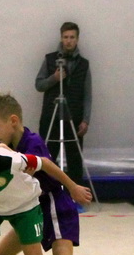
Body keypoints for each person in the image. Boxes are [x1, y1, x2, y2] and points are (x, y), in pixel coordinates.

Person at [0, 93, 114, 255]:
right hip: (31, 211)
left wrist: (73, 187)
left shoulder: (32, 143)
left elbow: (49, 166)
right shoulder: (9, 146)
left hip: (54, 206)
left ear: (13, 121)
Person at [36, 21, 92, 187]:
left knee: (75, 159)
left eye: (72, 37)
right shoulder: (49, 59)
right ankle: (46, 193)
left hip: (74, 117)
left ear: (77, 39)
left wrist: (86, 119)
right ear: (61, 38)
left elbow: (88, 94)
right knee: (48, 158)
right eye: (66, 37)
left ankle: (75, 195)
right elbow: (38, 85)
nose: (68, 41)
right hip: (51, 116)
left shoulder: (84, 64)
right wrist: (54, 78)